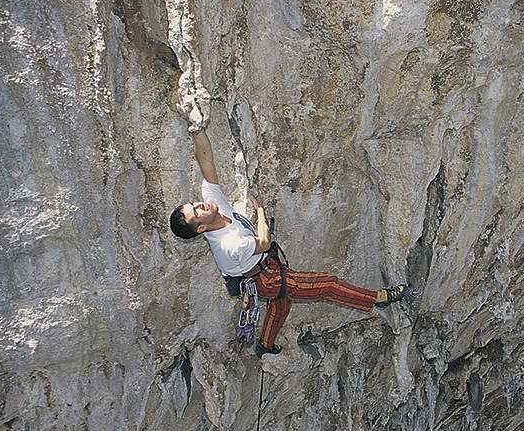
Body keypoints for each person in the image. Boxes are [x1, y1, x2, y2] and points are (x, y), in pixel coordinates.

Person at [169, 99, 405, 356]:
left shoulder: (213, 206)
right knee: (327, 284)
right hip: (264, 278)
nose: (201, 205)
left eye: (195, 204)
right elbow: (264, 242)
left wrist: (195, 127)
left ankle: (264, 345)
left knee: (282, 305)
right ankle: (377, 298)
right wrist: (260, 210)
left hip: (263, 270)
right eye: (197, 212)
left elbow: (206, 162)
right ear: (201, 229)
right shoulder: (228, 245)